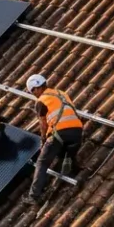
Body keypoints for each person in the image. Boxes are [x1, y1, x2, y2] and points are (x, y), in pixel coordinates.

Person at [25, 74, 84, 204]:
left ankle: (34, 196)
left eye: (33, 92)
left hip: (60, 133)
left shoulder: (41, 101)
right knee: (65, 151)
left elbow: (43, 124)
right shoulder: (61, 93)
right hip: (78, 132)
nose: (34, 95)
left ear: (36, 88)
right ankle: (74, 168)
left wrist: (43, 140)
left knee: (42, 162)